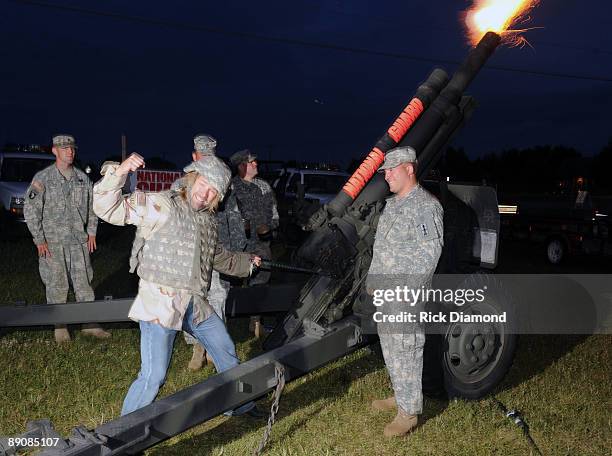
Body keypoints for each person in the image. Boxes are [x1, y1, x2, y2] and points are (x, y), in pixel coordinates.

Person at [93, 152, 265, 417]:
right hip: (160, 303)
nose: (205, 194)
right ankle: (122, 433)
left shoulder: (208, 221)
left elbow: (218, 257)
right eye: (204, 184)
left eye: (214, 191)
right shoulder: (163, 205)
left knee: (225, 350)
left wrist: (248, 263)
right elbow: (108, 208)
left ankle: (239, 405)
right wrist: (120, 172)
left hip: (194, 303)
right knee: (154, 375)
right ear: (192, 178)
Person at [365, 146, 443, 437]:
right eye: (385, 171)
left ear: (409, 169)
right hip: (386, 293)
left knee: (407, 349)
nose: (386, 176)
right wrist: (374, 281)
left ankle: (409, 412)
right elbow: (382, 248)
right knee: (390, 347)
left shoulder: (426, 206)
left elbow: (429, 255)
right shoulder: (394, 204)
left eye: (391, 170)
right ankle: (400, 396)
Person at [23, 134, 111, 343]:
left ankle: (89, 323)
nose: (69, 152)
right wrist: (39, 239)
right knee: (57, 283)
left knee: (84, 283)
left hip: (78, 241)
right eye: (64, 149)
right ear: (55, 151)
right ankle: (60, 326)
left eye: (71, 148)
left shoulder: (82, 179)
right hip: (53, 243)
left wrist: (91, 231)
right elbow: (31, 210)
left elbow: (92, 208)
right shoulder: (42, 179)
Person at [174, 134, 247, 370]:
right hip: (188, 258)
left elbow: (233, 220)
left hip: (216, 253)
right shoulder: (179, 186)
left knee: (217, 298)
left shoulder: (223, 183)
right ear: (194, 158)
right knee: (191, 300)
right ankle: (197, 347)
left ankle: (214, 347)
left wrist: (236, 251)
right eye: (202, 157)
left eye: (210, 157)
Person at [229, 149, 279, 335]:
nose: (256, 164)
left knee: (260, 283)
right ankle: (224, 318)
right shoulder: (230, 188)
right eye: (252, 162)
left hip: (260, 245)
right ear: (242, 165)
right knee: (229, 284)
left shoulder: (264, 187)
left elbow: (274, 214)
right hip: (235, 246)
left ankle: (256, 322)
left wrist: (269, 227)